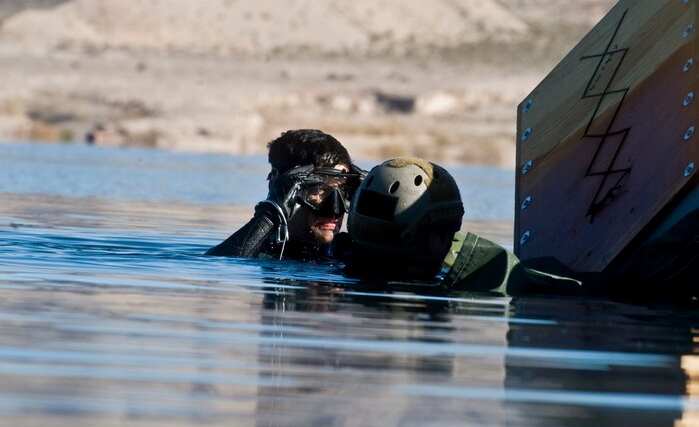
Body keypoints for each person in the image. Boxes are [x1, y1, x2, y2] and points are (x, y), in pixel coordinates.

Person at [343, 157, 699, 302]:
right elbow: (623, 286)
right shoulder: (491, 276)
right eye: (451, 232)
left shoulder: (335, 263)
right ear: (435, 241)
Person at [206, 129, 365, 261]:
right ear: (281, 186)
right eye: (319, 188)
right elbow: (219, 266)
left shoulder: (349, 253)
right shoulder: (257, 251)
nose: (334, 208)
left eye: (344, 190)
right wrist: (271, 213)